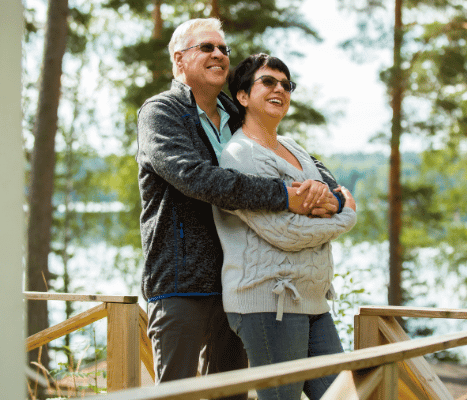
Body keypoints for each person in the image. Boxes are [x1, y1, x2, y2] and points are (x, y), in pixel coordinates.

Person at [135, 18, 346, 394]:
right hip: (182, 282)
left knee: (230, 394)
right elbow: (196, 178)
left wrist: (330, 190)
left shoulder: (236, 114)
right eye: (207, 47)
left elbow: (297, 154)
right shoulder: (160, 112)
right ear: (179, 59)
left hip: (237, 281)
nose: (219, 54)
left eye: (223, 49)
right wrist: (285, 196)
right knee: (175, 394)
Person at [212, 53, 357, 400]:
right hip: (267, 303)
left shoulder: (294, 148)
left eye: (286, 84)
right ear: (244, 96)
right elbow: (286, 232)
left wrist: (330, 203)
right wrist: (347, 216)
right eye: (269, 81)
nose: (280, 89)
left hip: (312, 300)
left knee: (345, 397)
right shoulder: (240, 155)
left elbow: (325, 199)